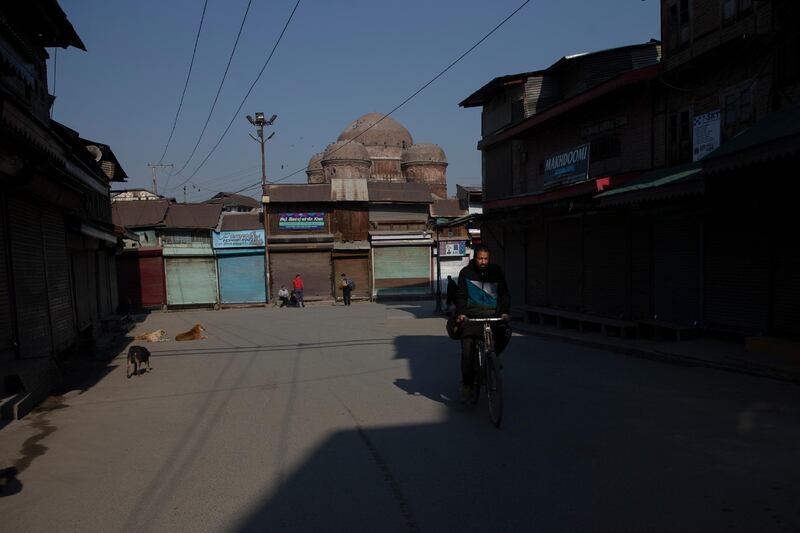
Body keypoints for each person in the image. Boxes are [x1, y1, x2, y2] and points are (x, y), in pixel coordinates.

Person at [454, 244, 512, 402]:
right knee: (467, 353)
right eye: (480, 258)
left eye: (486, 258)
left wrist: (505, 311)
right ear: (475, 258)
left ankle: (493, 356)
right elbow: (460, 296)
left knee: (506, 332)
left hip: (493, 315)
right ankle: (467, 384)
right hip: (471, 318)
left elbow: (504, 293)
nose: (483, 261)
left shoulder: (496, 271)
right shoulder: (465, 273)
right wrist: (461, 314)